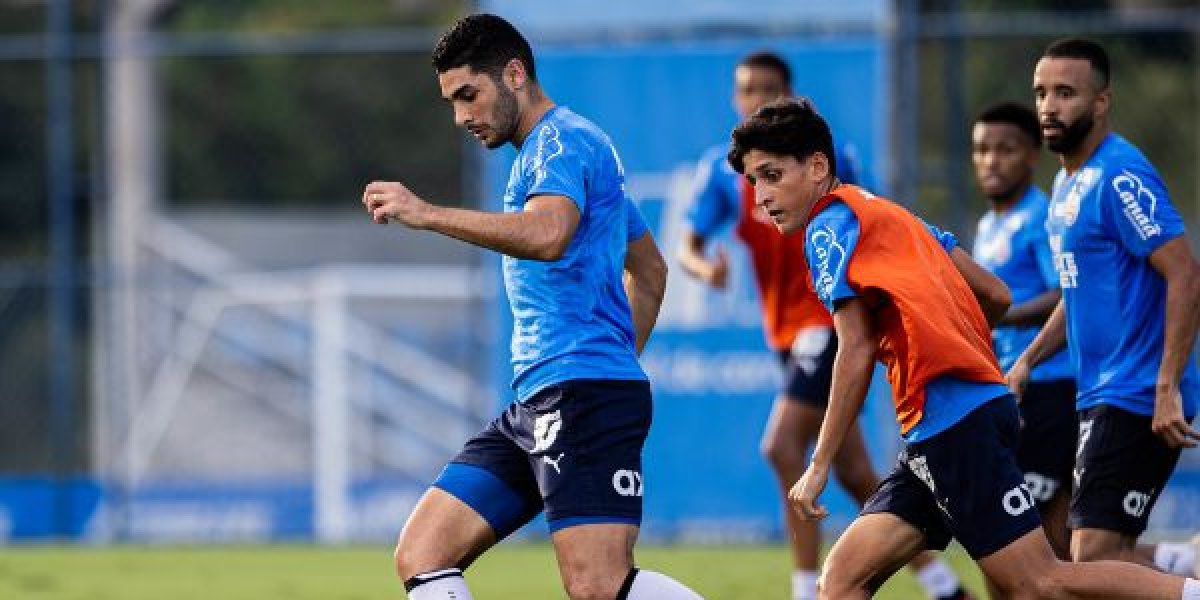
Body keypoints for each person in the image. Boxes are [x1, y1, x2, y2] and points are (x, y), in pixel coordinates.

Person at [728, 97, 1200, 599]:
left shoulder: (826, 229)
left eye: (772, 175)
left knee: (1041, 580)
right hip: (954, 422)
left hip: (954, 426)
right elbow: (994, 293)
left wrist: (819, 462)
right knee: (842, 579)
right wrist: (964, 351)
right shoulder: (889, 215)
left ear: (818, 166)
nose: (761, 196)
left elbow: (857, 346)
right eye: (755, 181)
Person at [363, 14, 704, 600]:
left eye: (469, 94)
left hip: (581, 393)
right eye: (450, 101)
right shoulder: (547, 155)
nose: (461, 116)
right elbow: (649, 271)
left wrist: (425, 212)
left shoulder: (564, 142)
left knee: (598, 586)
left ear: (514, 74)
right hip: (538, 401)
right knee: (423, 553)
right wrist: (617, 357)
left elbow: (548, 234)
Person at [678, 51, 972, 600]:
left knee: (782, 445)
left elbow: (873, 216)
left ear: (788, 94)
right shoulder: (722, 173)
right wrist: (705, 267)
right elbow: (688, 245)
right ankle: (943, 585)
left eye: (768, 88)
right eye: (746, 89)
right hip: (783, 332)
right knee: (859, 471)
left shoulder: (830, 163)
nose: (756, 97)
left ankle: (804, 587)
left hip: (832, 316)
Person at [1008, 37, 1200, 572]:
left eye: (1065, 92)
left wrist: (1166, 390)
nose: (1048, 105)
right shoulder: (1067, 186)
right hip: (1099, 391)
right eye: (1041, 92)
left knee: (1090, 559)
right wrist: (1029, 359)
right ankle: (1184, 563)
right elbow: (1078, 293)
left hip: (1136, 393)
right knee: (1088, 556)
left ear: (1100, 102)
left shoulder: (1120, 175)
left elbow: (1186, 272)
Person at [969, 101, 1077, 559]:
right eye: (982, 149)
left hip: (1050, 387)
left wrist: (997, 313)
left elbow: (1066, 294)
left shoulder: (1041, 217)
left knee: (1030, 541)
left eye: (1005, 149)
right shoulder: (987, 224)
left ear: (1033, 155)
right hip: (1008, 390)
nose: (991, 160)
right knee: (1012, 541)